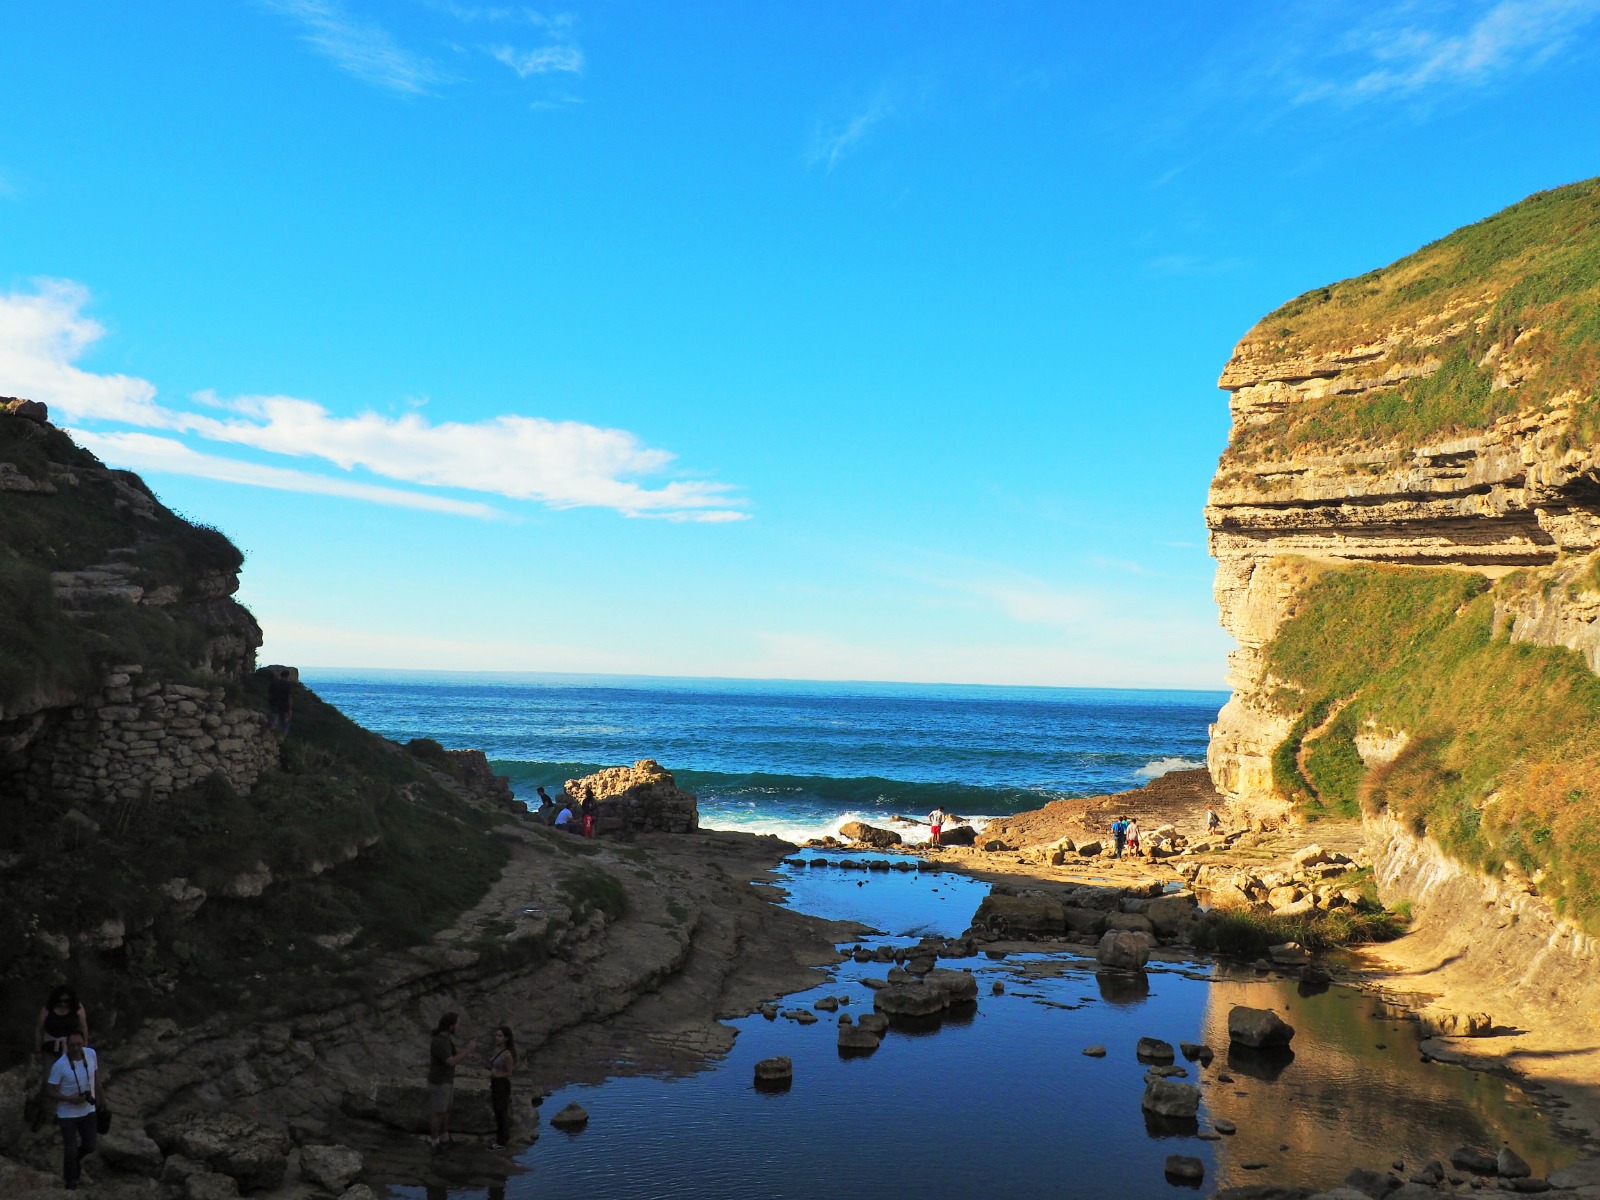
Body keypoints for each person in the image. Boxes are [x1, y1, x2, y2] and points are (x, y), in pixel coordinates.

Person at [47, 1031, 100, 1190]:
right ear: (67, 1045)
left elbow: (96, 1076)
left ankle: (75, 1162)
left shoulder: (91, 1054)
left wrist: (102, 1098)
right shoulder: (60, 1065)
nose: (76, 1048)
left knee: (90, 1145)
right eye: (72, 1045)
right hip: (67, 1114)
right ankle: (70, 1182)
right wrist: (69, 1099)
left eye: (79, 1044)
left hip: (88, 1110)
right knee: (70, 1149)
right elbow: (50, 1091)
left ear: (83, 1043)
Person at [33, 987, 89, 1130]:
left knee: (67, 1082)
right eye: (60, 1001)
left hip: (70, 1050)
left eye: (66, 1001)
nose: (63, 1004)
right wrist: (38, 1050)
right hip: (50, 1049)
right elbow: (39, 1029)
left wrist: (84, 1049)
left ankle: (61, 1113)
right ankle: (43, 1112)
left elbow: (83, 1028)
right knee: (48, 1080)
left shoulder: (77, 1009)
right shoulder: (48, 1009)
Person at [427, 1013, 478, 1152]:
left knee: (446, 1110)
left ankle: (444, 1137)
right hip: (439, 1082)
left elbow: (453, 1053)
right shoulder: (439, 1041)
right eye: (457, 1023)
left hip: (447, 1081)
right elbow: (451, 1061)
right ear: (451, 1026)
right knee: (438, 1113)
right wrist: (468, 1050)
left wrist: (468, 1055)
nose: (459, 1026)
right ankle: (434, 1143)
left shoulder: (446, 1039)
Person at [486, 1026, 517, 1150]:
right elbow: (492, 1066)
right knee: (498, 1111)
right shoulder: (498, 1050)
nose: (497, 1038)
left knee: (501, 1111)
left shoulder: (507, 1054)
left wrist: (497, 1075)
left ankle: (501, 1141)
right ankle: (501, 1136)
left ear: (506, 1038)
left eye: (500, 1036)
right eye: (496, 1035)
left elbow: (509, 1073)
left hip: (502, 1085)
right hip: (495, 1083)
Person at [267, 669, 293, 735]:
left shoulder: (274, 683)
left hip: (274, 705)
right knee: (285, 723)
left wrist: (270, 704)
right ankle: (282, 737)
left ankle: (273, 736)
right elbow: (289, 697)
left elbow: (269, 694)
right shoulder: (288, 684)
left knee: (274, 722)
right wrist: (290, 709)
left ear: (281, 675)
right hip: (284, 707)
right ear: (288, 676)